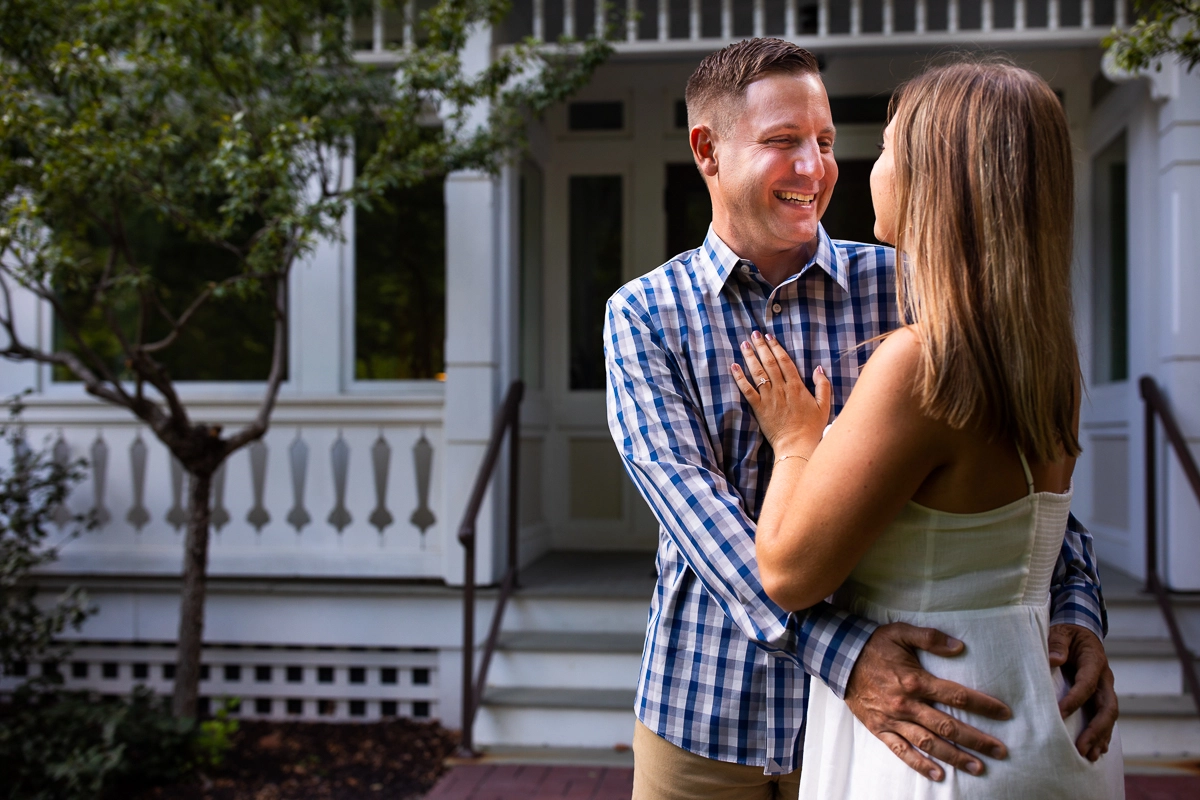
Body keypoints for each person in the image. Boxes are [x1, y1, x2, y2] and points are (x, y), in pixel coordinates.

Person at [604, 38, 1117, 799]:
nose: (814, 168)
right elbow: (702, 526)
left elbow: (1027, 503)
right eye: (783, 142)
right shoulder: (644, 315)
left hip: (896, 724)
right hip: (708, 716)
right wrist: (847, 655)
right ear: (706, 150)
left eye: (826, 141)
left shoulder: (914, 288)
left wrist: (1077, 613)